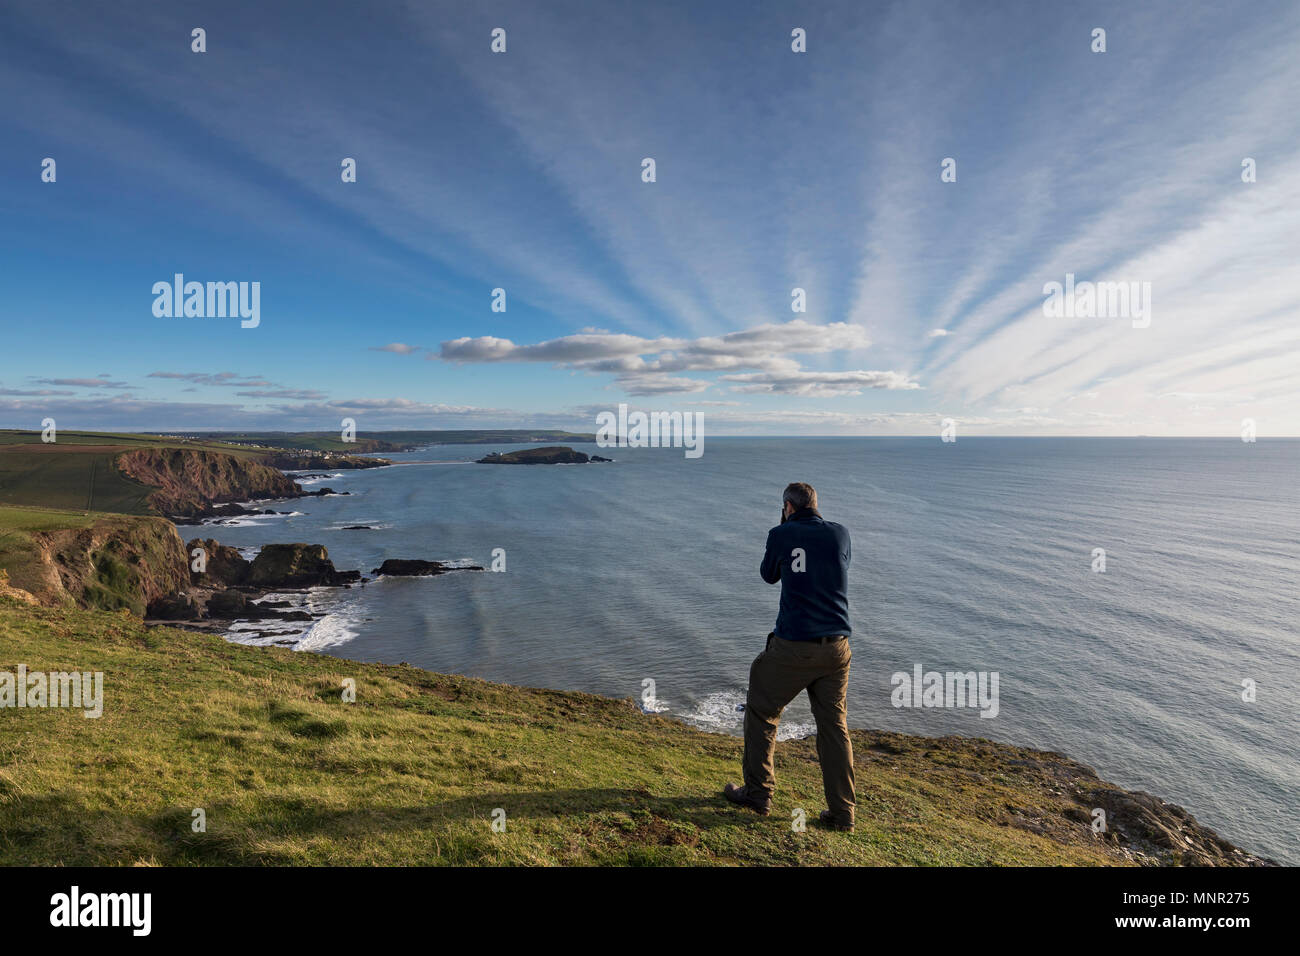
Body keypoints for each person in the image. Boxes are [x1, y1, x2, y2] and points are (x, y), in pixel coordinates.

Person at [722, 481, 856, 831]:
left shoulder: (781, 533)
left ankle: (758, 794)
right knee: (833, 727)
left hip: (795, 645)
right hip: (838, 648)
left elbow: (768, 575)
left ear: (788, 507)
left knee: (762, 711)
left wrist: (783, 529)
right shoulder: (841, 534)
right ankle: (843, 814)